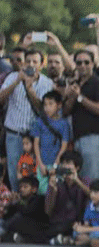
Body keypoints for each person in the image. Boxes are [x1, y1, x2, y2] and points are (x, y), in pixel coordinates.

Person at [1, 48, 54, 189]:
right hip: (14, 135)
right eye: (28, 61)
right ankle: (17, 199)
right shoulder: (12, 77)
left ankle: (34, 201)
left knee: (35, 174)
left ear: (41, 64)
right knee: (14, 173)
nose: (31, 64)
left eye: (35, 61)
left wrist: (30, 90)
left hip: (35, 138)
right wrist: (17, 81)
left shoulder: (47, 83)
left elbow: (44, 110)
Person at [62, 50, 99, 181]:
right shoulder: (75, 84)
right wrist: (71, 96)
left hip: (94, 138)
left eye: (86, 62)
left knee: (91, 180)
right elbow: (65, 112)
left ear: (93, 64)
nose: (83, 65)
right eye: (79, 63)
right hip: (77, 138)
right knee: (79, 180)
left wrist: (80, 97)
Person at [43, 152, 89, 245]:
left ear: (77, 167)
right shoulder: (57, 182)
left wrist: (77, 181)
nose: (65, 166)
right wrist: (53, 190)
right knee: (47, 230)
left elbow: (94, 196)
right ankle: (64, 239)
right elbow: (48, 211)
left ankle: (64, 239)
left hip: (78, 223)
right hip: (60, 222)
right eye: (63, 163)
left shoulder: (84, 181)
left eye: (68, 163)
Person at [31, 90, 71, 191]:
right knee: (41, 190)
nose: (47, 108)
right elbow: (36, 144)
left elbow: (64, 145)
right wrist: (40, 164)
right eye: (45, 105)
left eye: (50, 104)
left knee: (57, 190)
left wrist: (56, 164)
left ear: (59, 105)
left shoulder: (64, 124)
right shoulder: (39, 122)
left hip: (57, 163)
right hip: (42, 164)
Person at [0, 176, 48, 243]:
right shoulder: (21, 200)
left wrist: (17, 203)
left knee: (18, 217)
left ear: (34, 189)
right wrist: (12, 203)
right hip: (19, 228)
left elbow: (27, 212)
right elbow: (7, 215)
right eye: (20, 187)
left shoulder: (39, 199)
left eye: (25, 187)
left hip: (36, 229)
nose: (22, 189)